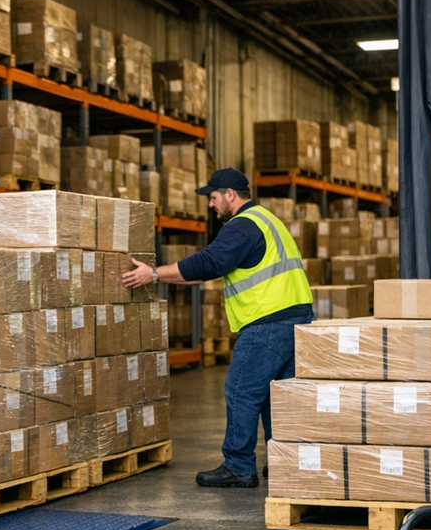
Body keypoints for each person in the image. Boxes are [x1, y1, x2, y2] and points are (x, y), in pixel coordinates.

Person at [121, 168, 312, 488]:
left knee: (240, 390)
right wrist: (166, 275)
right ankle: (283, 461)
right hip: (297, 318)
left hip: (268, 321)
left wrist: (153, 274)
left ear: (230, 195)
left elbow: (209, 262)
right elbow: (210, 270)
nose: (211, 205)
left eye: (213, 198)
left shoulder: (242, 226)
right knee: (275, 396)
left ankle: (238, 465)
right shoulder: (267, 220)